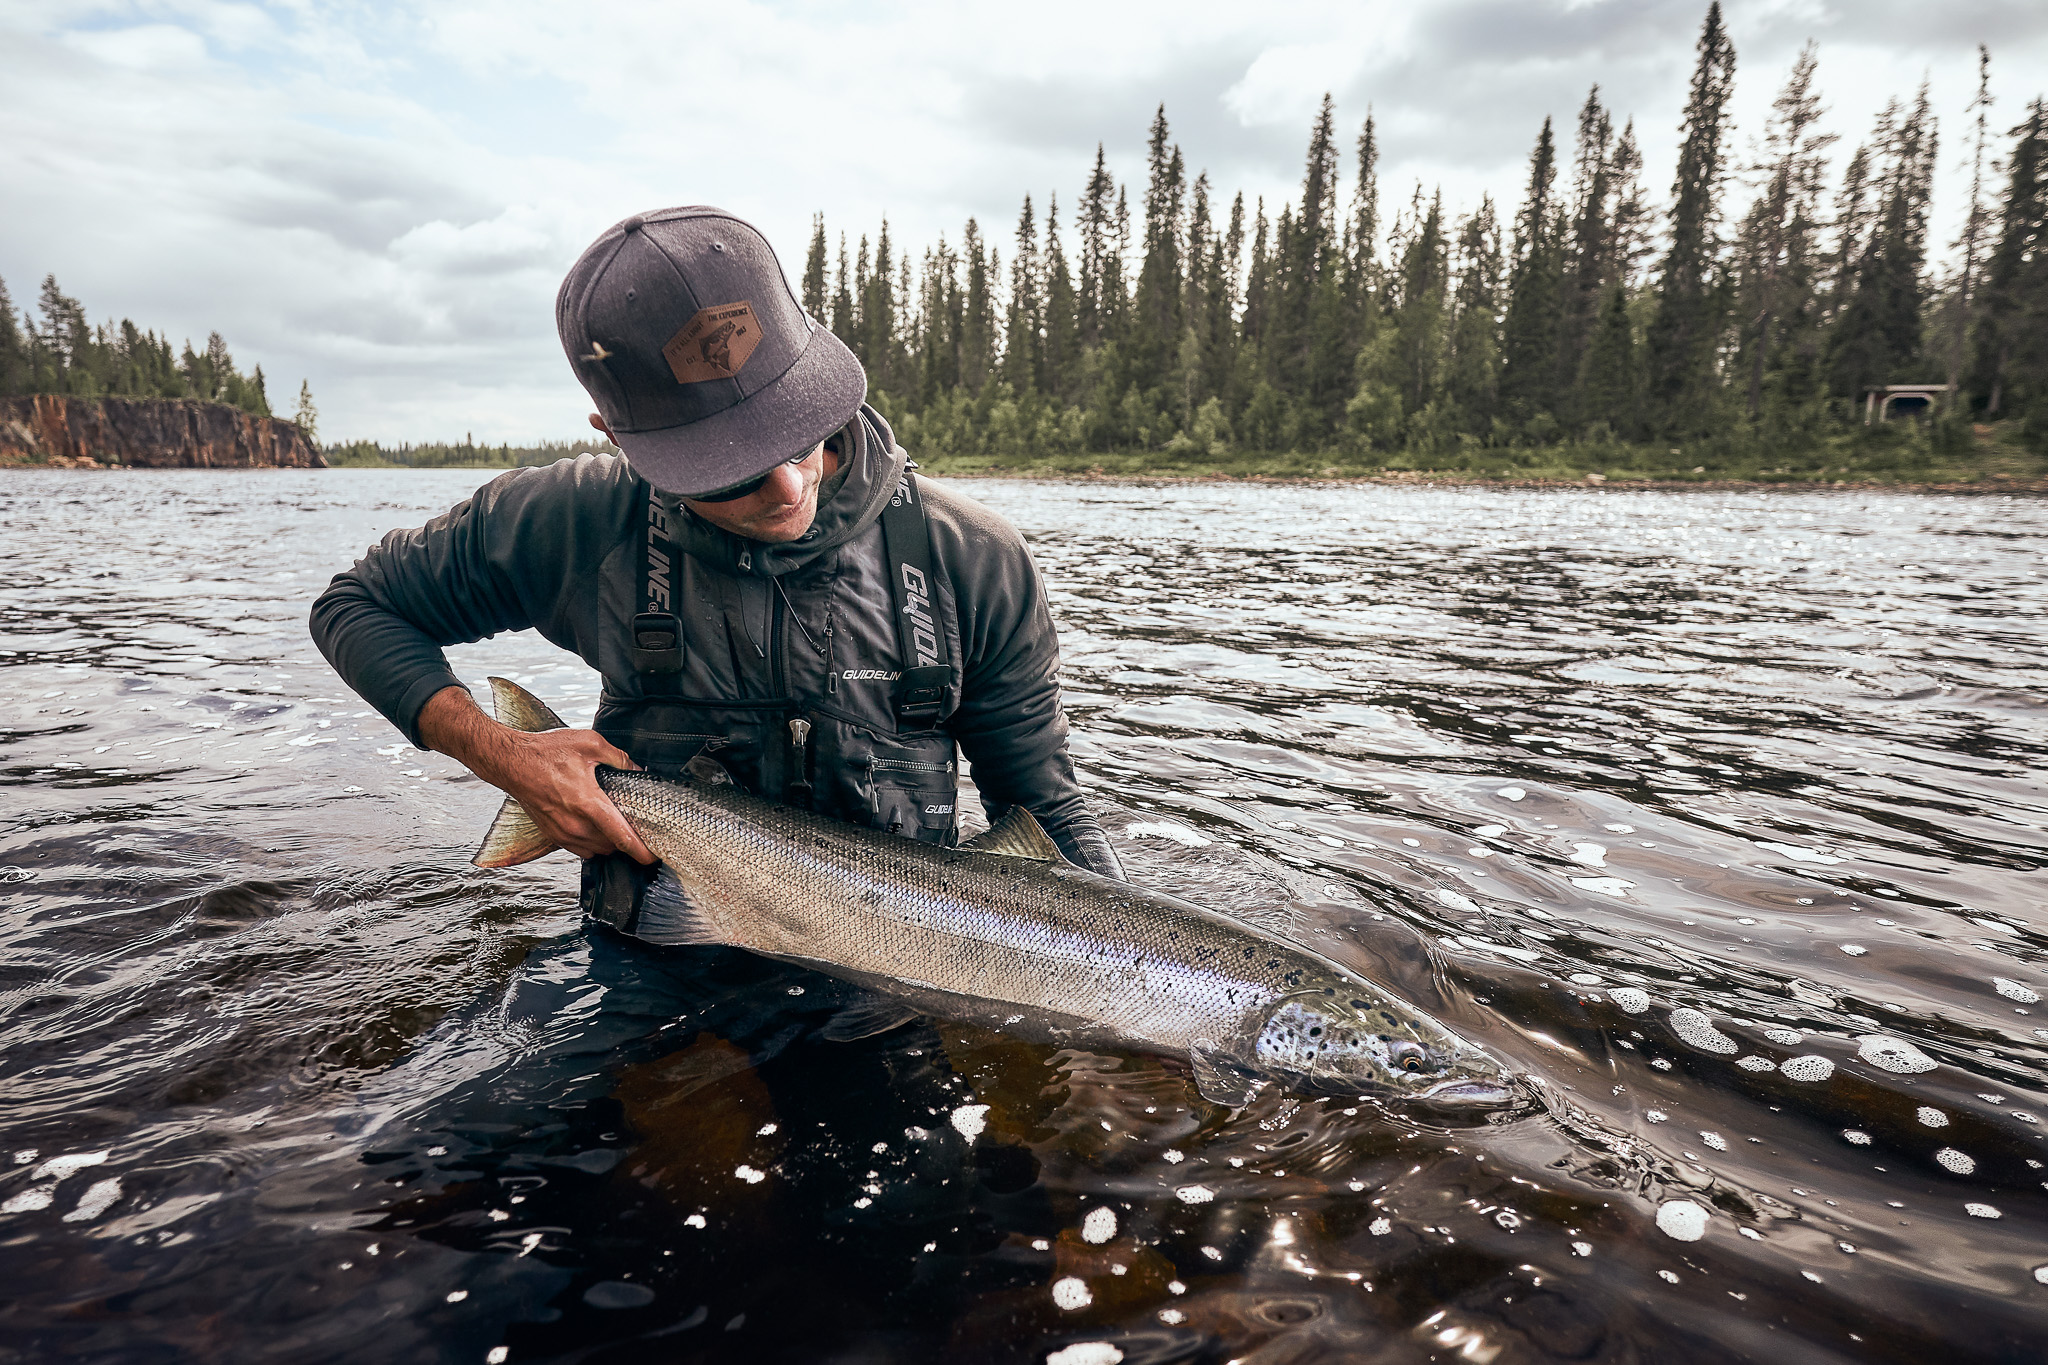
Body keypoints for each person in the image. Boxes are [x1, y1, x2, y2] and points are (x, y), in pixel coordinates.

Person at [309, 205, 1122, 935]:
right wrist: (508, 756)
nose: (789, 485)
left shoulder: (973, 558)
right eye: (731, 467)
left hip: (893, 988)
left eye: (802, 430)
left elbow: (1043, 808)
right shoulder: (575, 520)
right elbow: (356, 607)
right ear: (620, 437)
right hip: (652, 966)